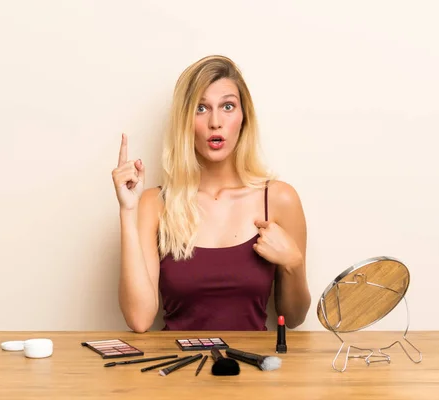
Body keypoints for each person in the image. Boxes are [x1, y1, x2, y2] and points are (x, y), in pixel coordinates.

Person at [112, 55, 311, 332]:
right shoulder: (155, 204)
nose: (215, 122)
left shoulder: (279, 199)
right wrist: (127, 210)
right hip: (175, 370)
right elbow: (139, 320)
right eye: (201, 108)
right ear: (185, 121)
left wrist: (293, 263)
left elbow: (293, 317)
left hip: (253, 371)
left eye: (228, 106)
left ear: (244, 117)